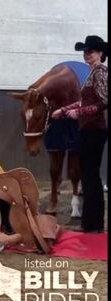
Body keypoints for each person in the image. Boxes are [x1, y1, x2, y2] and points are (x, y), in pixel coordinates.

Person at [52, 35, 108, 233]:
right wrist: (65, 109)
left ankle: (92, 224)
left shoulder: (100, 72)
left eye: (90, 51)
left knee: (90, 176)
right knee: (88, 176)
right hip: (90, 130)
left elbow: (104, 102)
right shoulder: (93, 73)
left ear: (100, 53)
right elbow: (85, 102)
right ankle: (91, 223)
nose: (87, 54)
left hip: (94, 130)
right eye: (85, 51)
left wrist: (79, 113)